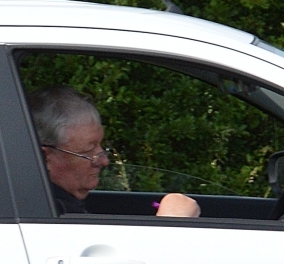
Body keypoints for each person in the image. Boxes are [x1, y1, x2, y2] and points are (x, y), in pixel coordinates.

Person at [27, 85, 200, 218]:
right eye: (88, 150)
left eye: (100, 145)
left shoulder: (55, 204)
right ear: (44, 157)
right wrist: (171, 222)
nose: (104, 161)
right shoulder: (45, 215)